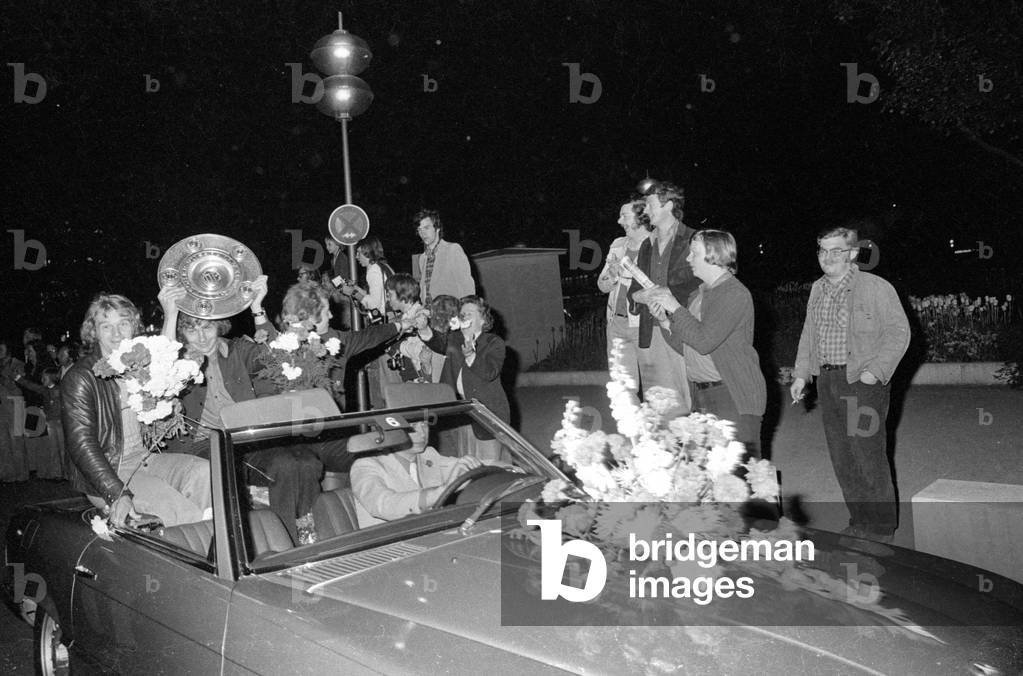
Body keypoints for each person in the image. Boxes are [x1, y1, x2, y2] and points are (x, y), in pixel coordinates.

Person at [160, 280, 325, 544]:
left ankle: (292, 538)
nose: (201, 337)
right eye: (192, 329)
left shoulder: (239, 349)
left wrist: (257, 307)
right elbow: (158, 370)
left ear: (219, 325)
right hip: (203, 447)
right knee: (228, 477)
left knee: (302, 462)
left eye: (207, 327)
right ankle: (263, 543)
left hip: (247, 439)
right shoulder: (174, 361)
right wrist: (170, 316)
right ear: (182, 332)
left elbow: (277, 359)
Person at [790, 225, 910, 542]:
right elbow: (808, 334)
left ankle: (881, 530)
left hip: (860, 382)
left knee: (867, 454)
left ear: (853, 253)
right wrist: (802, 373)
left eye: (836, 251)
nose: (827, 257)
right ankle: (860, 522)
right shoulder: (817, 289)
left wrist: (875, 372)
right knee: (842, 456)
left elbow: (899, 333)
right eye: (822, 250)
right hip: (828, 380)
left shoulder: (876, 287)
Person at [61, 294, 211, 527]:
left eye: (123, 323)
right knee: (178, 510)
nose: (116, 333)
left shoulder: (137, 365)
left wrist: (166, 408)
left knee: (206, 473)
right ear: (94, 332)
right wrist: (116, 492)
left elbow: (166, 355)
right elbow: (81, 444)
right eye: (106, 326)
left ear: (134, 326)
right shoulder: (81, 377)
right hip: (109, 471)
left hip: (144, 459)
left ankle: (208, 540)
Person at [637, 230, 767, 457]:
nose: (688, 258)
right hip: (703, 394)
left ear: (714, 255)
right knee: (709, 473)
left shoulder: (734, 293)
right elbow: (688, 347)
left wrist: (675, 307)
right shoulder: (699, 295)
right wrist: (665, 321)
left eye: (694, 253)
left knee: (740, 474)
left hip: (732, 395)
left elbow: (704, 341)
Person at [627, 181, 700, 413]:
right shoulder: (647, 245)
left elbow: (701, 283)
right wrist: (640, 296)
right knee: (660, 406)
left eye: (650, 205)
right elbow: (633, 291)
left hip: (682, 328)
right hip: (651, 332)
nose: (645, 211)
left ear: (668, 205)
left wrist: (666, 296)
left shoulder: (694, 240)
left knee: (689, 402)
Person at [417, 295, 510, 462]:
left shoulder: (493, 342)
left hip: (487, 415)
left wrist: (471, 356)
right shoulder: (455, 339)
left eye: (469, 314)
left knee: (491, 465)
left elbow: (490, 372)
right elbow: (437, 342)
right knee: (467, 462)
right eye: (462, 314)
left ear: (483, 320)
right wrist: (424, 329)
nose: (464, 317)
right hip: (462, 414)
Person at [351, 420, 482, 527]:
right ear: (390, 430)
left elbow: (463, 466)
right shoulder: (366, 465)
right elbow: (384, 505)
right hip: (388, 544)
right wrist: (440, 492)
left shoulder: (428, 455)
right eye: (412, 426)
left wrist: (475, 464)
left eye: (424, 424)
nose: (422, 433)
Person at [597, 199, 650, 397]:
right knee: (623, 388)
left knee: (654, 385)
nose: (619, 221)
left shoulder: (657, 246)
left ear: (641, 218)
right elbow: (602, 285)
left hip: (644, 324)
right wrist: (612, 275)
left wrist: (628, 272)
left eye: (624, 216)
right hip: (616, 324)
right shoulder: (618, 245)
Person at [413, 209, 475, 305]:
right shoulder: (422, 258)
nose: (423, 233)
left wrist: (467, 309)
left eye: (426, 228)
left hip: (451, 310)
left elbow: (467, 287)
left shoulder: (453, 249)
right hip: (431, 311)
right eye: (419, 230)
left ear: (437, 228)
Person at [0, 341, 28, 483]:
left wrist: (3, 375)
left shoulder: (17, 364)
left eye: (1, 348)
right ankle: (7, 473)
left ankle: (21, 474)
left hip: (15, 403)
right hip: (2, 405)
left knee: (16, 438)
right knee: (3, 440)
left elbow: (17, 384)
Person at [321, 236, 353, 331]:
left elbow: (343, 278)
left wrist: (333, 285)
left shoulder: (342, 258)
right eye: (326, 245)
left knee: (348, 320)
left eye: (329, 244)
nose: (327, 247)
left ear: (338, 245)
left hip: (345, 294)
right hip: (340, 292)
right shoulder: (334, 259)